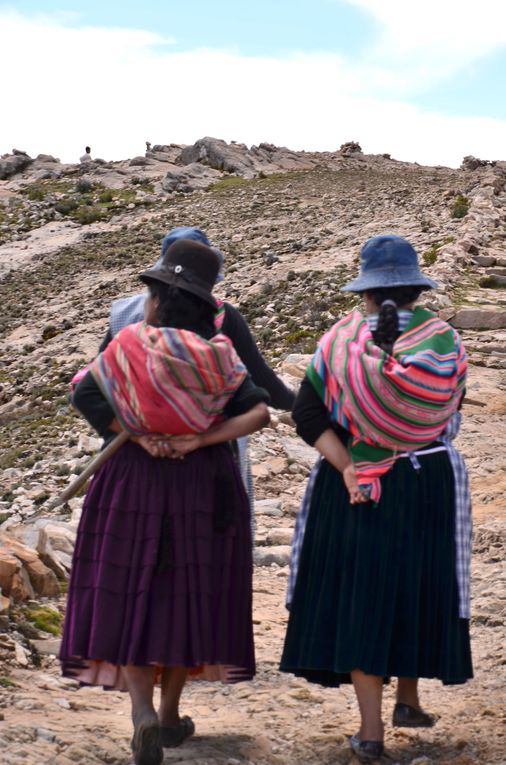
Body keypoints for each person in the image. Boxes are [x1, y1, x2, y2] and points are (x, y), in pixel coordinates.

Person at [60, 239, 270, 765]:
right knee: (186, 593)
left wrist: (135, 431)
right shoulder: (217, 355)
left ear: (156, 298)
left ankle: (142, 712)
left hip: (132, 480)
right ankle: (173, 714)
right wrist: (196, 440)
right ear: (205, 304)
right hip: (201, 483)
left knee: (131, 588)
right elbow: (259, 415)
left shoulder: (128, 345)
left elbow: (84, 394)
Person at [280, 235, 472, 762]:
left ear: (365, 291)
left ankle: (371, 732)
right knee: (414, 585)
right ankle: (407, 697)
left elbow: (308, 415)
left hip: (356, 486)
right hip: (428, 481)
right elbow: (449, 415)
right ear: (417, 288)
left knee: (364, 593)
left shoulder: (338, 343)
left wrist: (348, 466)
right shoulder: (445, 342)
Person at [99, 226, 295, 530]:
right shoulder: (222, 319)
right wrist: (303, 404)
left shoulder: (123, 316)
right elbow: (262, 385)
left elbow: (93, 387)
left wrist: (134, 433)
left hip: (132, 453)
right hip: (204, 452)